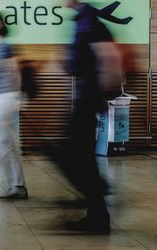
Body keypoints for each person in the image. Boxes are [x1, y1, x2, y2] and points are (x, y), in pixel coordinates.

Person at [54, 0, 123, 233]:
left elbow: (109, 57)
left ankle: (98, 205)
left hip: (89, 98)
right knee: (79, 155)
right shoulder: (81, 19)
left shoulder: (88, 19)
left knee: (75, 153)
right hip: (86, 96)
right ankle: (97, 209)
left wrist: (101, 95)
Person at [0, 13, 28, 199]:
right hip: (2, 97)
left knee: (5, 142)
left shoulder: (5, 46)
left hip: (8, 97)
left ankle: (18, 186)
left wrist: (18, 97)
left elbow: (15, 70)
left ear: (1, 24)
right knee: (7, 142)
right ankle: (17, 185)